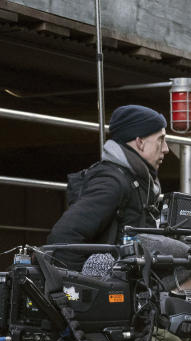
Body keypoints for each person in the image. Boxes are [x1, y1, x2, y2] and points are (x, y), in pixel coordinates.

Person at [47, 105, 168, 268]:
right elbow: (63, 237)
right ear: (139, 142)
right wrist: (82, 289)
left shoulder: (137, 182)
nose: (166, 149)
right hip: (114, 289)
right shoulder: (112, 181)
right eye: (160, 140)